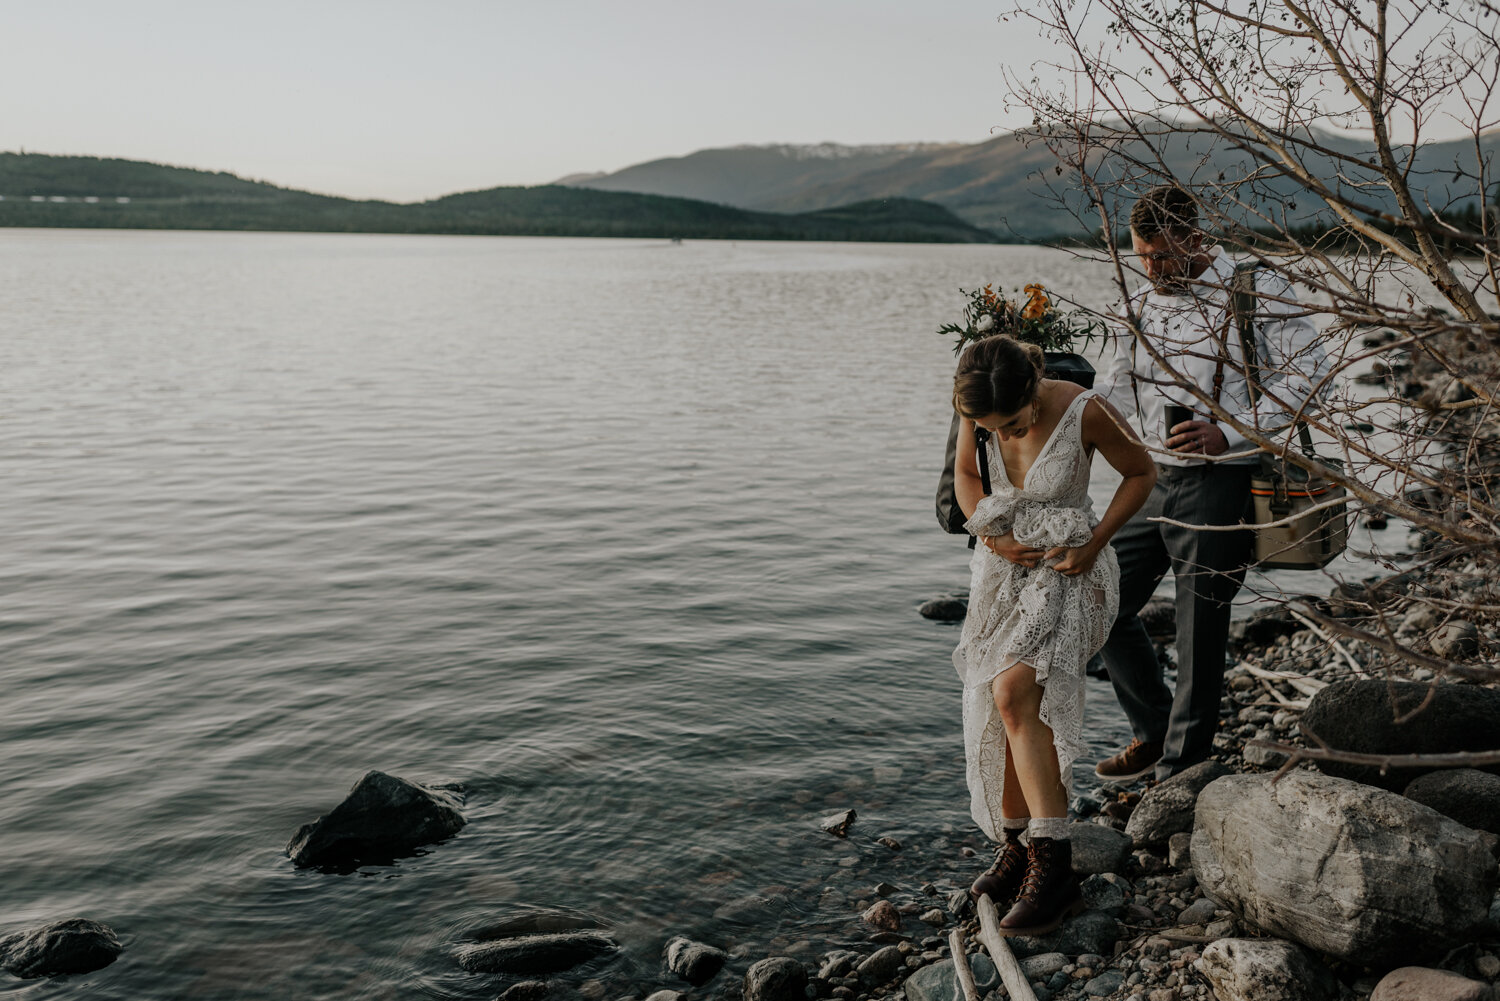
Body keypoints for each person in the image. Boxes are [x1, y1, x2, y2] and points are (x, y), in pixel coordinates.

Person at [1092, 184, 1327, 783]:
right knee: (1097, 601)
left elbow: (1308, 377)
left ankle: (1181, 772)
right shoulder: (1138, 303)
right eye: (1141, 255)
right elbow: (1113, 391)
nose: (1151, 268)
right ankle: (1152, 731)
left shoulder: (1257, 288)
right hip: (1148, 482)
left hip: (1222, 482)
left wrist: (1230, 432)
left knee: (1199, 633)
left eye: (1163, 256)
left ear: (1195, 238)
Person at [951, 335, 1155, 936]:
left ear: (1032, 395)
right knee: (1000, 700)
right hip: (1004, 570)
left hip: (1075, 569)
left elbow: (1142, 472)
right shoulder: (976, 407)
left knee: (1016, 693)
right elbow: (967, 475)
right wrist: (990, 537)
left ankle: (1055, 865)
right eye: (993, 429)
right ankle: (1017, 845)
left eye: (1012, 424)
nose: (1004, 437)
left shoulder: (1082, 407)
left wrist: (1095, 543)